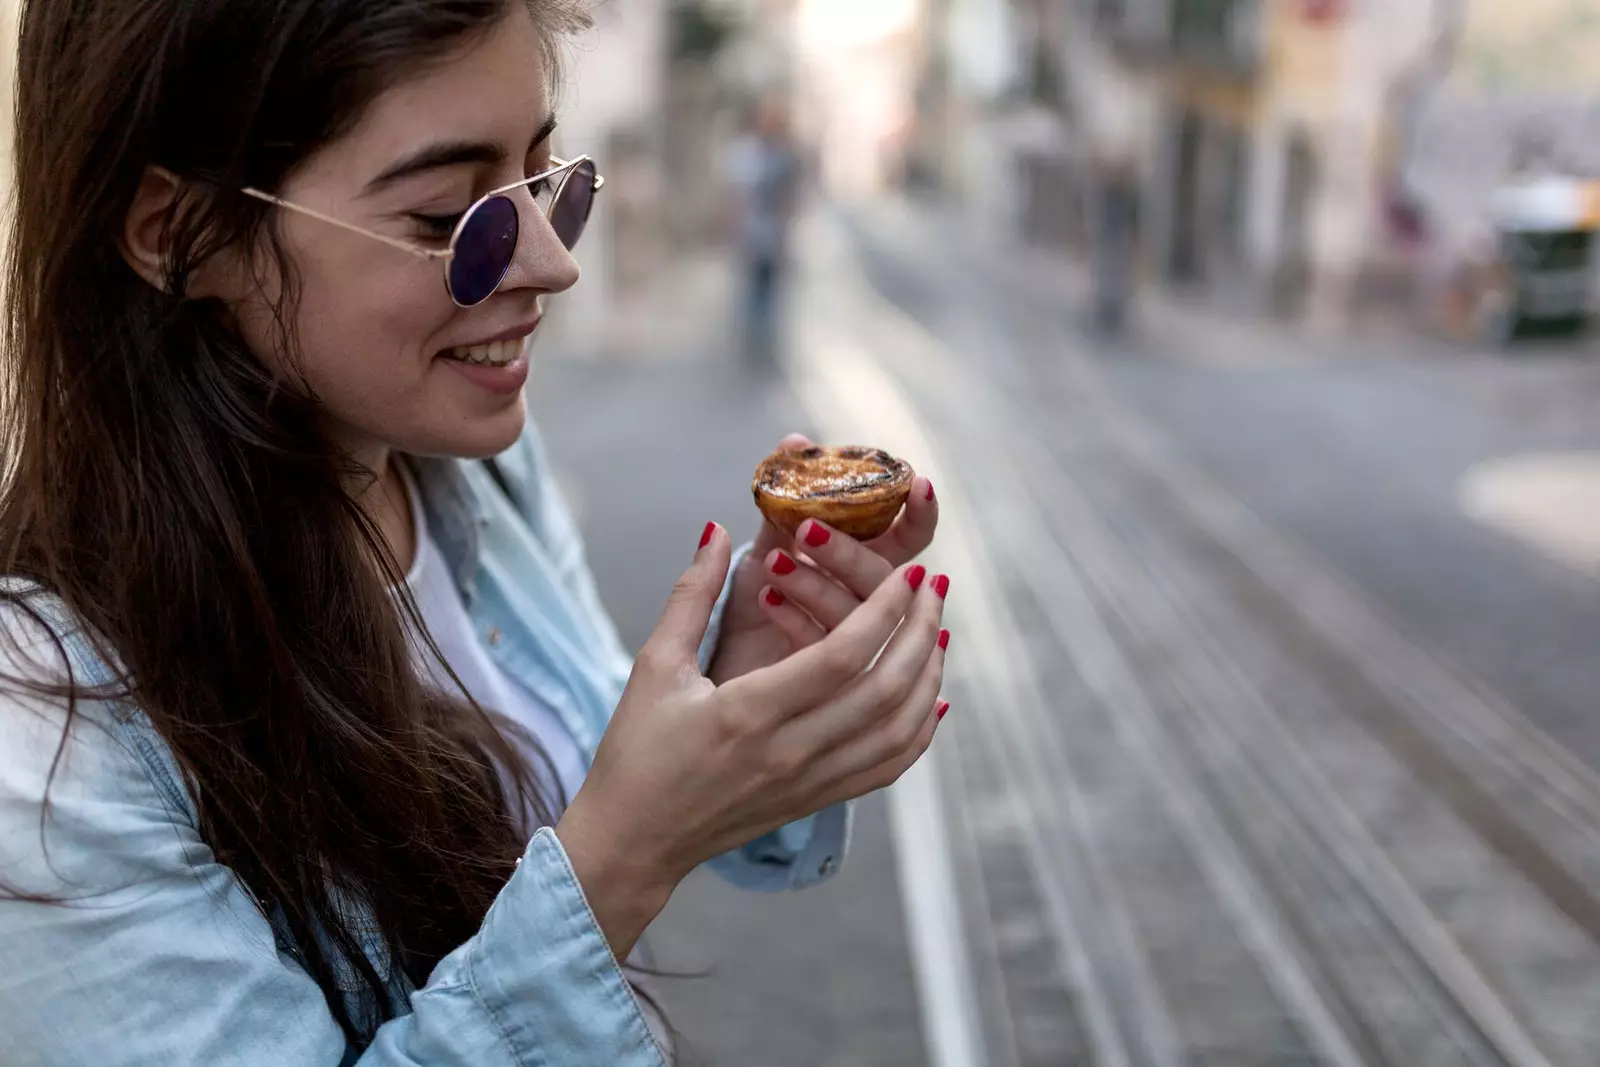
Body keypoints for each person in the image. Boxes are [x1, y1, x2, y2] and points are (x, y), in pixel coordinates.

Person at [0, 2, 951, 1065]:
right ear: (179, 235)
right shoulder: (47, 745)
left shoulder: (479, 465)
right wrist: (622, 862)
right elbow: (603, 843)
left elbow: (582, 784)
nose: (549, 265)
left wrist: (733, 689)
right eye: (451, 217)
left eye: (547, 183)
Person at [727, 97, 803, 363]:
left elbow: (789, 197)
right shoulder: (749, 154)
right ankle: (755, 334)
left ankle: (763, 336)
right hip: (754, 231)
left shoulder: (782, 157)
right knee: (754, 284)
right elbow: (739, 196)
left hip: (771, 231)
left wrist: (786, 227)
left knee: (767, 285)